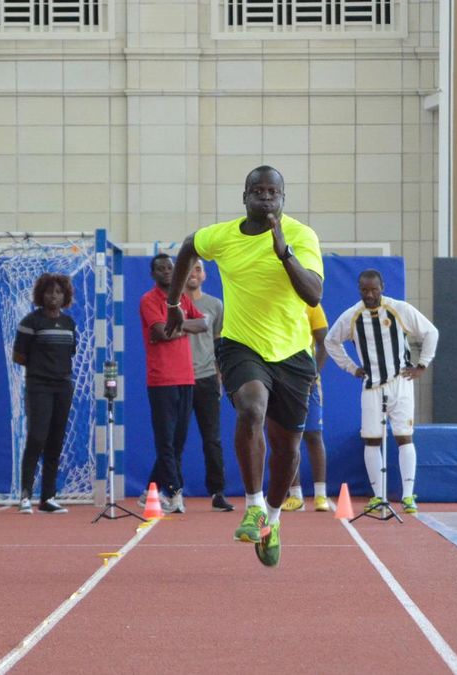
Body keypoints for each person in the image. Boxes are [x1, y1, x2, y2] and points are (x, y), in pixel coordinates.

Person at [164, 165, 323, 567]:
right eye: (259, 191)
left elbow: (314, 294)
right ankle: (252, 505)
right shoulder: (223, 236)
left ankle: (271, 520)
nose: (266, 198)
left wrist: (283, 252)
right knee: (251, 407)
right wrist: (172, 304)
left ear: (283, 199)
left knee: (287, 450)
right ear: (245, 196)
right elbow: (187, 247)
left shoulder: (301, 237)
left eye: (274, 192)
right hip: (241, 344)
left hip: (291, 352)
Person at [325, 269, 439, 515]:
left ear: (382, 287)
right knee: (372, 439)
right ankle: (378, 496)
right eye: (365, 290)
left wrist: (422, 365)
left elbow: (431, 332)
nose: (369, 294)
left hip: (400, 382)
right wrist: (351, 368)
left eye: (374, 289)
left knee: (403, 436)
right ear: (359, 289)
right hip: (371, 385)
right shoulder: (352, 316)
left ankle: (408, 497)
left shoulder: (399, 309)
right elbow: (330, 341)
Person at [140, 253, 207, 514]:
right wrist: (179, 328)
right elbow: (160, 332)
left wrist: (178, 326)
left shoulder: (183, 299)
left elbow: (203, 323)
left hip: (186, 377)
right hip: (162, 379)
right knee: (165, 441)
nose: (167, 271)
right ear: (153, 274)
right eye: (161, 269)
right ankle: (176, 492)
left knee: (178, 441)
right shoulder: (149, 300)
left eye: (170, 267)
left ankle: (150, 491)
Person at [12, 273, 78, 514]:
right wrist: (41, 367)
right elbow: (19, 355)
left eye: (59, 292)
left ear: (65, 296)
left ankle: (48, 497)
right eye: (49, 292)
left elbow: (71, 351)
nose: (54, 296)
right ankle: (25, 495)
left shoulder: (69, 323)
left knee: (55, 441)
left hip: (63, 386)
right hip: (38, 386)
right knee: (37, 437)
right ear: (41, 295)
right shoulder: (31, 322)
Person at [183, 258, 235, 512]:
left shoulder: (215, 305)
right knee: (173, 439)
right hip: (177, 379)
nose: (193, 273)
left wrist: (219, 376)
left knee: (212, 439)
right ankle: (170, 491)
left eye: (198, 269)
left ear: (204, 275)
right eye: (189, 268)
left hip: (205, 379)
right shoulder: (172, 304)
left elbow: (219, 345)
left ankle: (217, 492)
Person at [282, 302, 331, 512]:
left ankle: (320, 495)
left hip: (307, 381)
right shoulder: (271, 300)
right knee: (286, 438)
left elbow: (324, 342)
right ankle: (295, 495)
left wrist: (314, 373)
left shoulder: (310, 304)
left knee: (313, 435)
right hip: (280, 379)